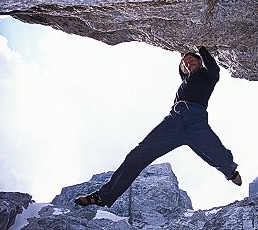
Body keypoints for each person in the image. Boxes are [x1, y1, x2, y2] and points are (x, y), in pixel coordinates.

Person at [74, 46, 242, 207]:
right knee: (137, 156)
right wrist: (186, 62)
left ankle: (230, 171)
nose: (187, 63)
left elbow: (214, 69)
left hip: (195, 120)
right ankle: (104, 196)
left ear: (200, 62)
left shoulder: (207, 76)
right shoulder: (184, 83)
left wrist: (201, 48)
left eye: (191, 60)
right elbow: (185, 74)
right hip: (172, 122)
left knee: (213, 149)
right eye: (184, 63)